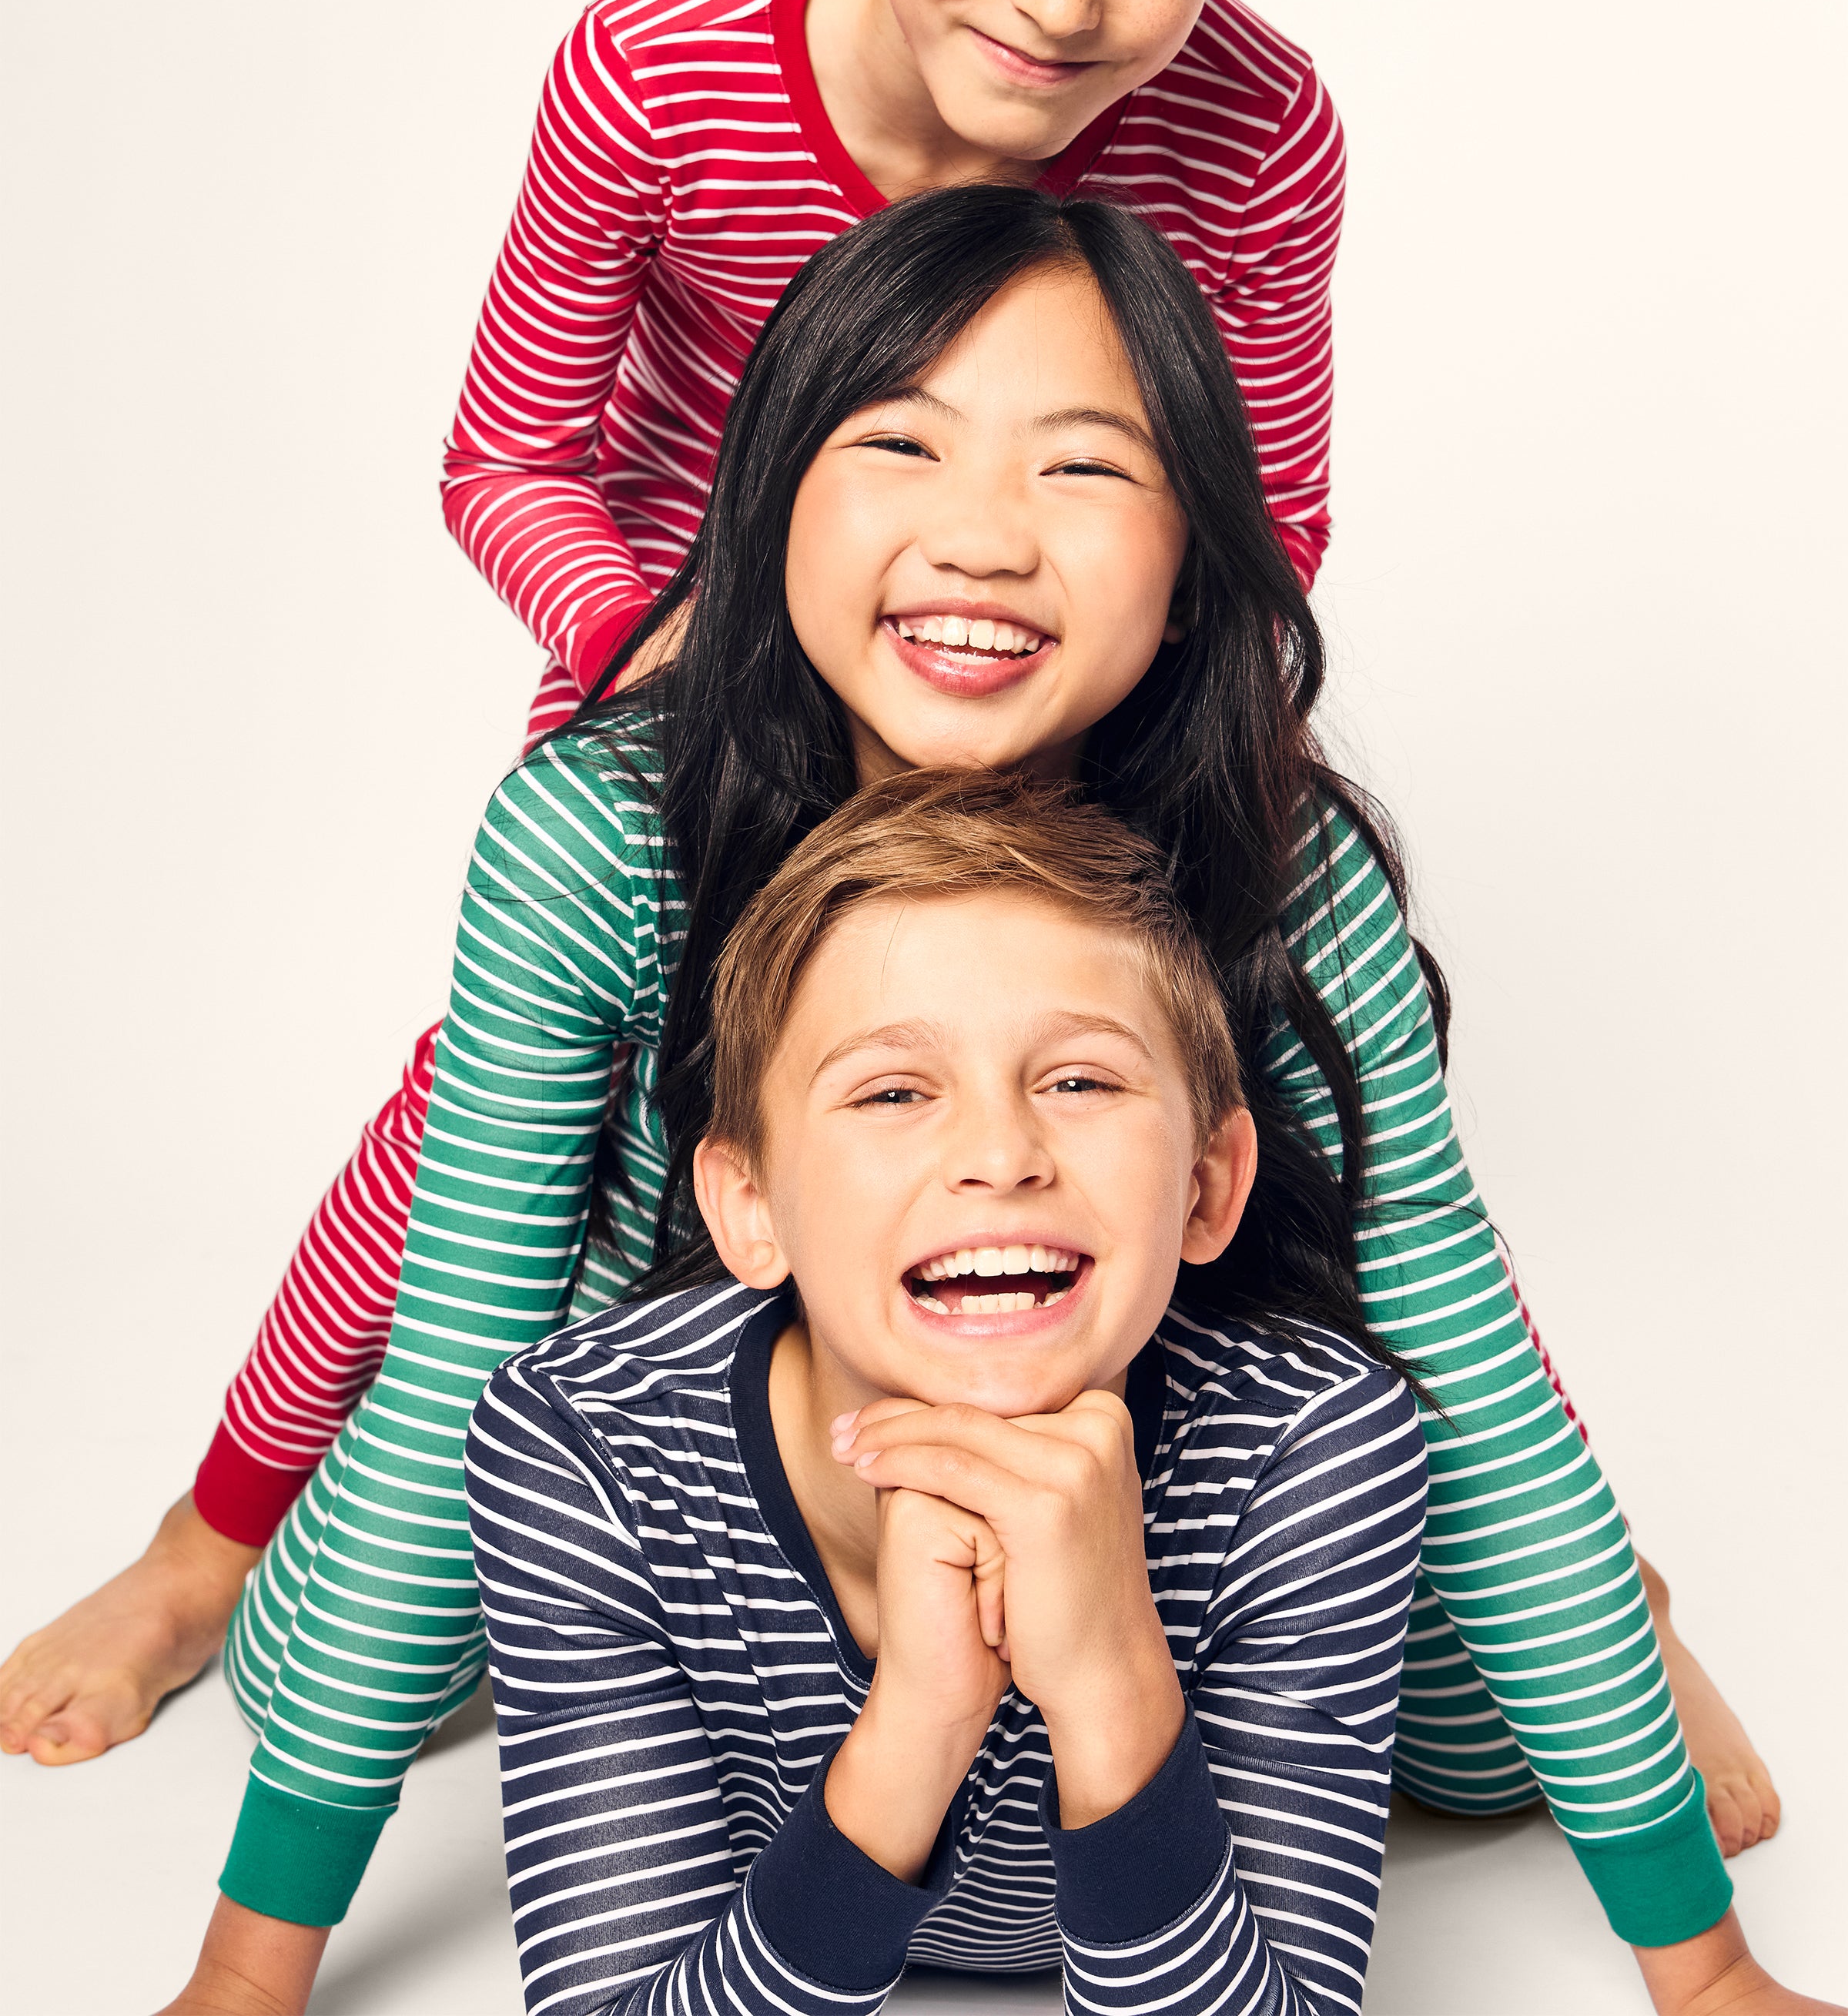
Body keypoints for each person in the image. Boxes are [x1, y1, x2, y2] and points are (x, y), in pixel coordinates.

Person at [1, 0, 1776, 1871]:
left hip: (1077, 710)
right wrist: (652, 645)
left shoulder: (1264, 129)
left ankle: (1586, 1596)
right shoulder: (661, 62)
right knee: (473, 1134)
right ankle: (213, 1534)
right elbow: (508, 455)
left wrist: (1141, 744)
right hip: (719, 679)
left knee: (1350, 1128)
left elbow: (1262, 497)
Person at [148, 188, 1827, 2014]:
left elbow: (1464, 1355)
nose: (985, 538)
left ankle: (1630, 1614)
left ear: (1198, 552)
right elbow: (451, 1335)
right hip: (765, 1430)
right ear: (765, 504)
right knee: (309, 1640)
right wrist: (248, 1973)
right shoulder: (602, 832)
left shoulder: (1284, 869)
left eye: (1084, 470)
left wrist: (1706, 1967)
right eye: (900, 444)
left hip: (1169, 1457)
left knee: (1493, 1724)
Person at [464, 769, 1432, 2016]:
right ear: (751, 1209)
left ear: (1206, 1185)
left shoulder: (1313, 1443)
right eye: (893, 1092)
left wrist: (1109, 1670)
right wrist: (916, 1721)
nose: (999, 1157)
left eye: (1080, 1081)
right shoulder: (581, 1442)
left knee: (1483, 1752)